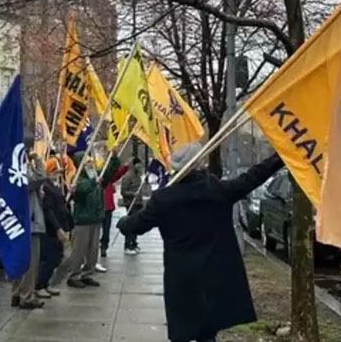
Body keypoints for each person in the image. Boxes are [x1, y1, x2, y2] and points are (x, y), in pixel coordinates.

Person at [117, 143, 284, 342]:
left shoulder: (163, 198)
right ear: (198, 165)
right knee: (208, 332)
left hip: (181, 278)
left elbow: (136, 226)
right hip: (212, 276)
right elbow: (253, 176)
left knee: (182, 331)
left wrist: (123, 222)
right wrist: (280, 156)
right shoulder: (217, 190)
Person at [61, 151, 120, 288]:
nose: (90, 164)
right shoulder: (77, 178)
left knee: (93, 250)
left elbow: (108, 174)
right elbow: (82, 190)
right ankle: (74, 275)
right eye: (87, 162)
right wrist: (94, 182)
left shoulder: (95, 175)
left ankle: (87, 273)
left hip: (95, 217)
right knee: (79, 250)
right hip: (83, 219)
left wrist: (114, 159)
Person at [11, 150, 47, 309]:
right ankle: (27, 296)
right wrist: (38, 160)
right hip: (29, 223)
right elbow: (39, 177)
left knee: (20, 261)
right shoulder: (19, 172)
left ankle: (17, 293)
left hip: (21, 222)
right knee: (31, 262)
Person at [35, 158, 72, 298]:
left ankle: (46, 283)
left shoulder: (54, 186)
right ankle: (39, 284)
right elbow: (48, 209)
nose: (58, 174)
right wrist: (58, 228)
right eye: (55, 171)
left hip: (57, 226)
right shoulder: (46, 187)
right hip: (49, 229)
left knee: (56, 257)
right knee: (49, 258)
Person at [100, 158, 129, 258]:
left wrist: (125, 167)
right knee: (98, 230)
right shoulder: (98, 179)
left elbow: (117, 174)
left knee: (106, 229)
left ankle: (104, 246)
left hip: (108, 207)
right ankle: (98, 247)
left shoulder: (109, 178)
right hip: (99, 208)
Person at [120, 158, 143, 255]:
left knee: (136, 224)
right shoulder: (128, 176)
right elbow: (123, 191)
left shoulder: (138, 176)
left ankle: (134, 243)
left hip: (138, 204)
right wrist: (132, 194)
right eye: (138, 165)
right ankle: (128, 244)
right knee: (130, 225)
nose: (140, 167)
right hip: (131, 204)